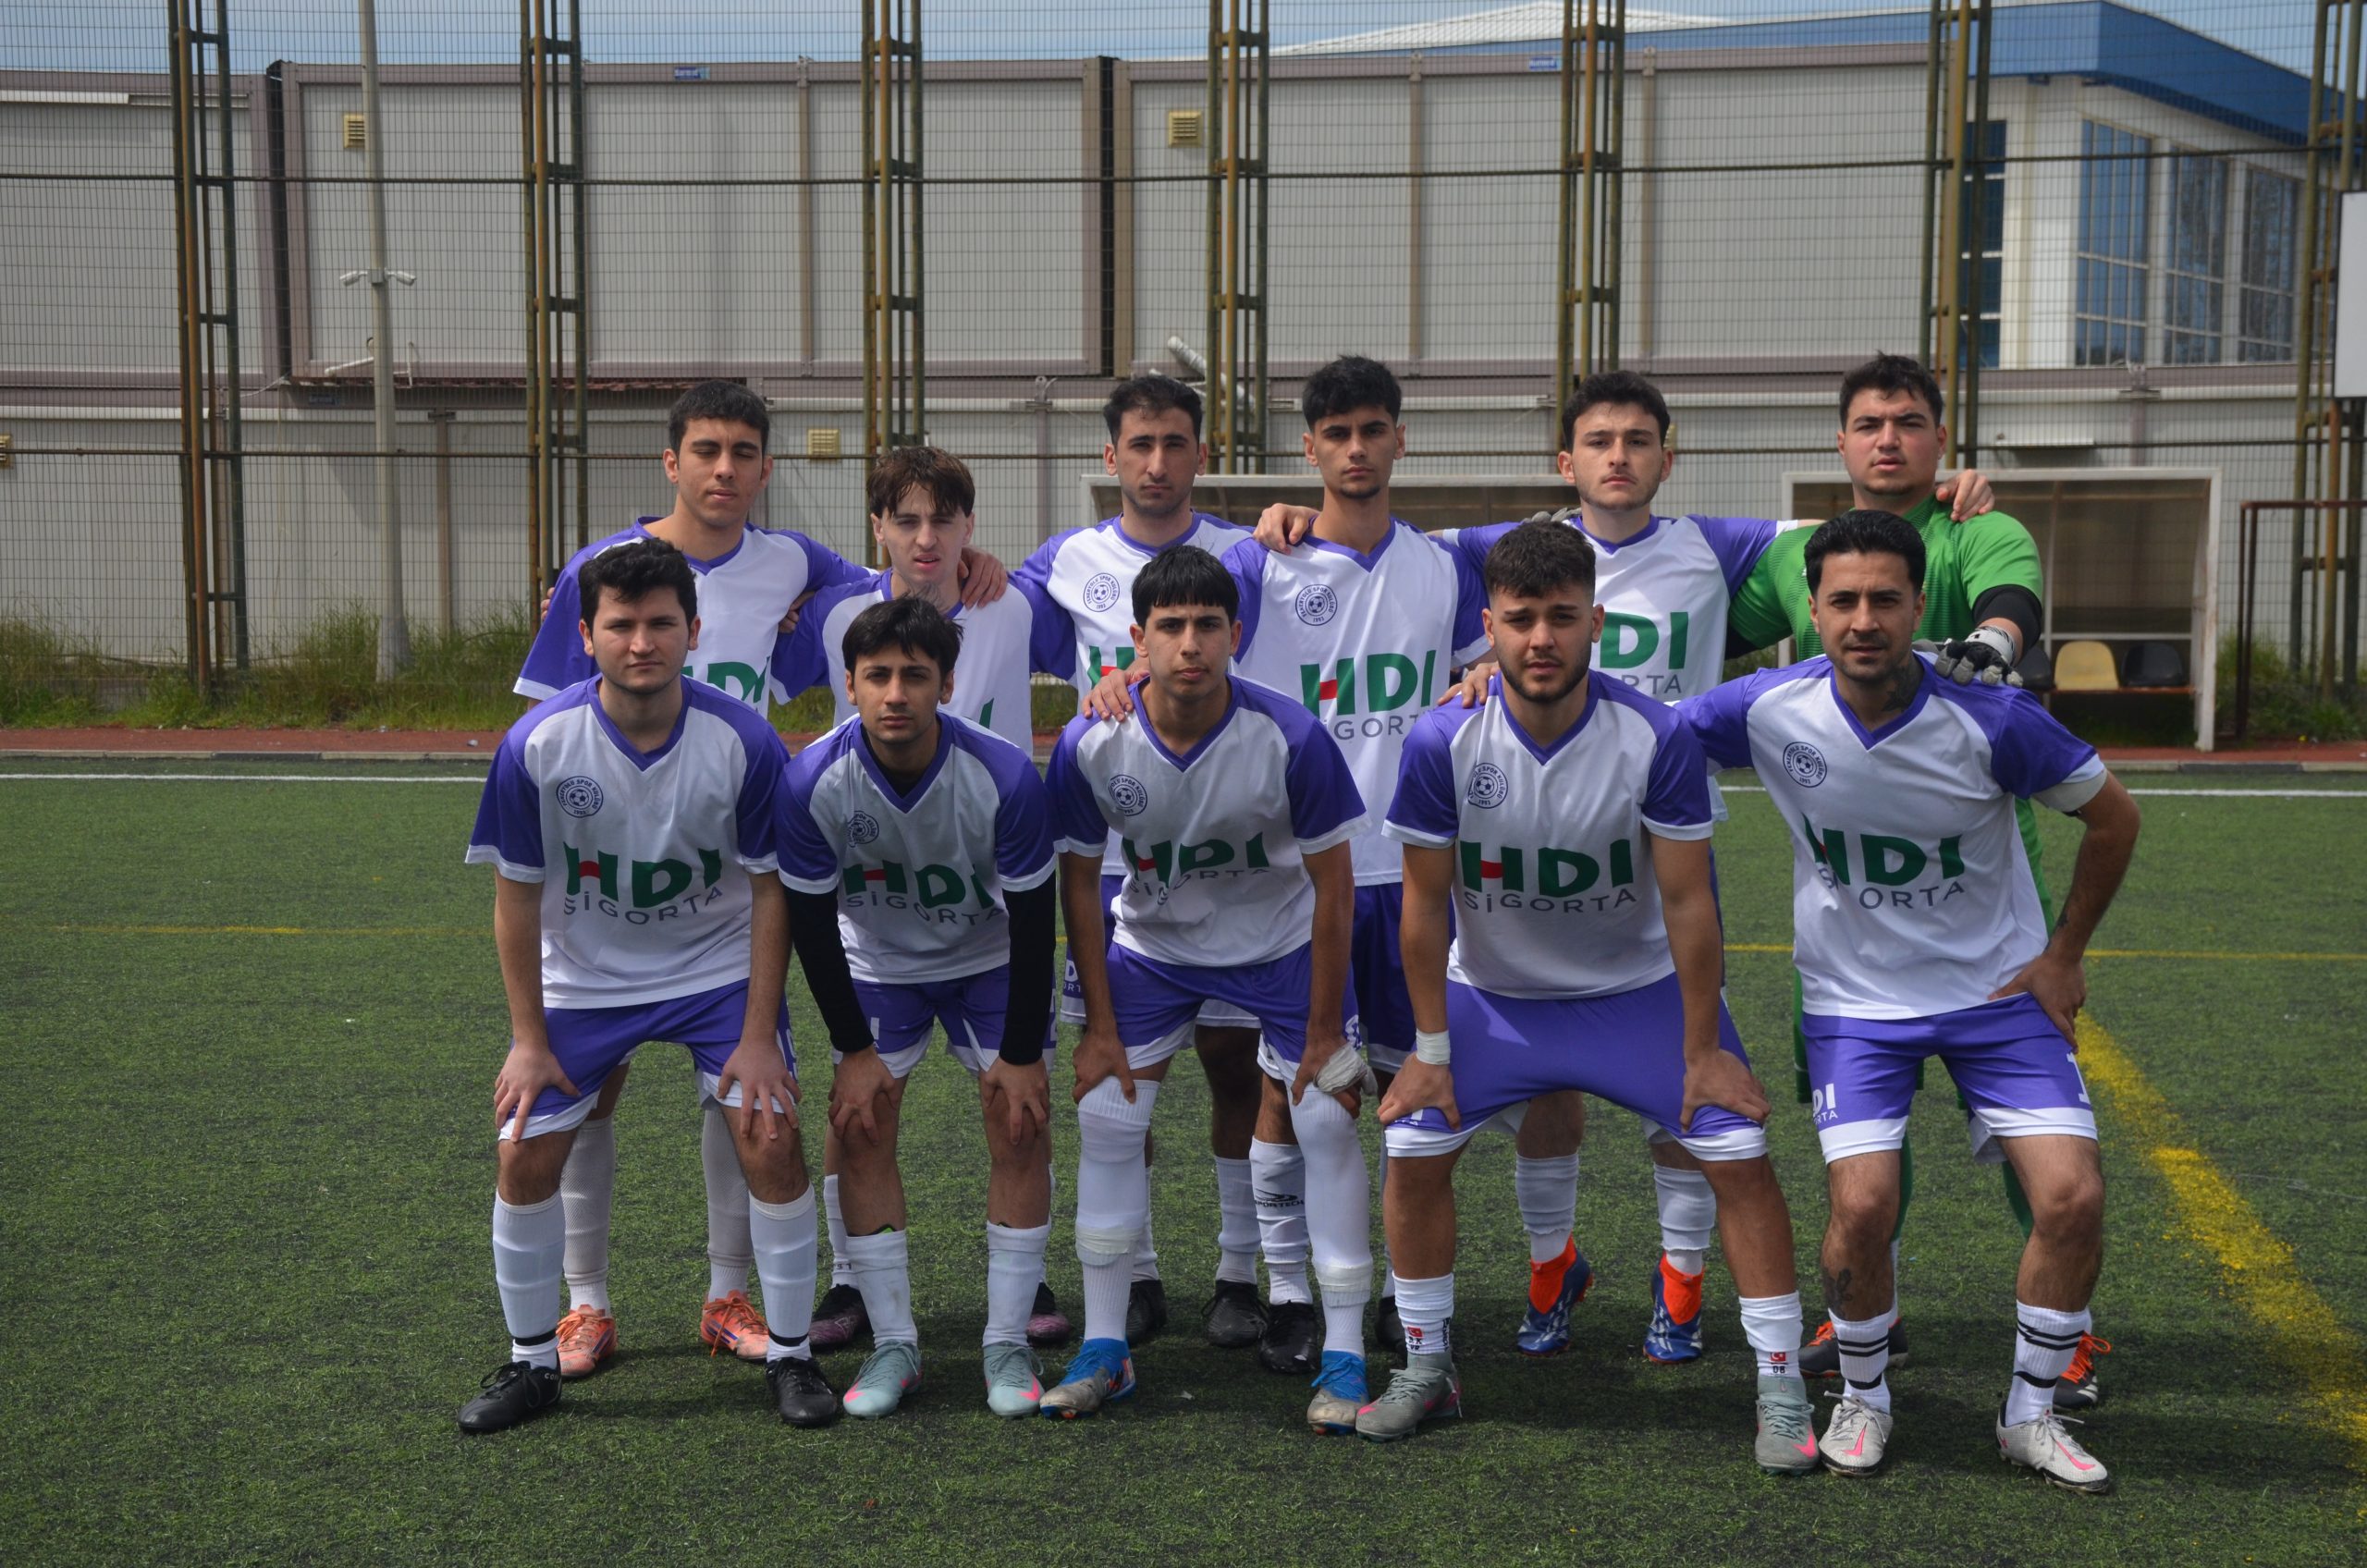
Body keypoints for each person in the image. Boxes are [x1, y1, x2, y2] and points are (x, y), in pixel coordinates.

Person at [1258, 367, 1998, 1365]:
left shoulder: (1719, 545)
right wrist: (1293, 521)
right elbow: (1379, 540)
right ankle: (1550, 1265)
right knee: (1544, 1079)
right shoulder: (1504, 547)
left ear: (1668, 455)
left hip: (1657, 826)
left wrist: (1938, 495)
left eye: (1638, 440)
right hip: (1531, 821)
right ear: (1564, 461)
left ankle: (1681, 1280)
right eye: (1599, 442)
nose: (1618, 457)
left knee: (1683, 1076)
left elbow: (1849, 536)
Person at [509, 381, 1010, 1379]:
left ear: (767, 468)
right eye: (706, 451)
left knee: (740, 1097)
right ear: (671, 462)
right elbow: (545, 718)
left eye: (743, 453)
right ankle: (584, 1301)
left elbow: (897, 579)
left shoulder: (794, 561)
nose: (724, 470)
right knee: (587, 1094)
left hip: (733, 870)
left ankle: (727, 1291)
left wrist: (973, 563)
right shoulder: (601, 571)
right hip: (611, 879)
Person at [1682, 509, 2139, 1488]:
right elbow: (1628, 731)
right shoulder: (1765, 707)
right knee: (1863, 1205)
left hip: (1997, 994)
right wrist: (1486, 684)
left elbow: (2113, 819)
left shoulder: (1994, 717)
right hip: (1855, 1002)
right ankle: (1863, 1396)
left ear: (1918, 606)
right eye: (1842, 600)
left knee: (2073, 1196)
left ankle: (2029, 1413)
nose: (1863, 620)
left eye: (1884, 599)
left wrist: (2063, 955)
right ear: (1811, 611)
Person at [1364, 520, 1814, 1474]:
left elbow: (1689, 903)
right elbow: (1423, 907)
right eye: (1521, 618)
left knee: (1738, 1151)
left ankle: (1780, 1387)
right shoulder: (1442, 738)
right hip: (1494, 1000)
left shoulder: (1654, 734)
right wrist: (1430, 1051)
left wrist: (1704, 1048)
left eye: (1562, 617)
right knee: (1412, 1145)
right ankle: (1427, 1366)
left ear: (1596, 623)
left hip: (1634, 994)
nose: (1541, 639)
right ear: (1489, 625)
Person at [1726, 356, 2104, 1405]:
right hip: (1850, 923)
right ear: (1839, 442)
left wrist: (1987, 646)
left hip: (1981, 894)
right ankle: (1867, 1321)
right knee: (1866, 1154)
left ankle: (2067, 1336)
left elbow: (2011, 607)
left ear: (1942, 438)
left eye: (1907, 421)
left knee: (2046, 1151)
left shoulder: (1978, 527)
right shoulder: (1793, 552)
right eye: (1867, 422)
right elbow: (1684, 602)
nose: (1887, 438)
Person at [459, 537, 837, 1432]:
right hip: (585, 981)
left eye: (661, 623)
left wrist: (758, 1034)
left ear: (692, 632)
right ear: (584, 636)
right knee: (523, 1151)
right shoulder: (538, 742)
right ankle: (532, 1362)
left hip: (715, 972)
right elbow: (515, 896)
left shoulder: (742, 738)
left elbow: (771, 888)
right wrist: (529, 1039)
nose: (642, 642)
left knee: (770, 1135)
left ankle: (791, 1354)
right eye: (621, 625)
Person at [1041, 545, 1376, 1432]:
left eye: (1207, 625)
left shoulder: (1289, 736)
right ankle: (1104, 1349)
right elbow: (1079, 882)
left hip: (1279, 944)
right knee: (1107, 1114)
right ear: (1138, 639)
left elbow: (1336, 889)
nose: (1190, 644)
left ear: (1235, 634)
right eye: (1171, 626)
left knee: (1324, 1118)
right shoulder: (1091, 740)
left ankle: (1345, 1355)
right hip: (1155, 949)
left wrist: (1321, 1034)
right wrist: (1097, 1027)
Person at [1013, 374, 1272, 1353]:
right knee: (1122, 1074)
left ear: (1201, 452)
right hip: (1115, 854)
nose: (1157, 463)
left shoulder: (1248, 553)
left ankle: (1239, 1274)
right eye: (1139, 445)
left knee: (1236, 1064)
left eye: (1174, 443)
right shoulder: (1063, 561)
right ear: (1111, 456)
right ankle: (1141, 1275)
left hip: (1229, 852)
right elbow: (985, 618)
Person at [776, 596, 1061, 1419]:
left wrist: (1021, 1055)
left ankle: (1005, 1342)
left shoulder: (1004, 775)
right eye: (878, 676)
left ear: (947, 684)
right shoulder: (812, 780)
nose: (895, 693)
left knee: (1021, 1125)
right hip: (879, 963)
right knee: (861, 1124)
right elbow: (810, 926)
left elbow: (1035, 921)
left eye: (915, 675)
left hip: (988, 958)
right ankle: (895, 1343)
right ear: (850, 684)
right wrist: (852, 1049)